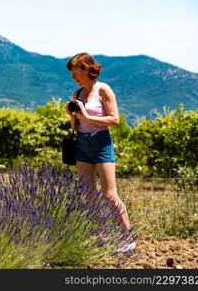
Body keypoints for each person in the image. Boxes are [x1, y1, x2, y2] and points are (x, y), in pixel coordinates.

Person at [65, 52, 135, 252]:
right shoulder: (77, 94)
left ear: (87, 69)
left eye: (76, 72)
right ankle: (101, 235)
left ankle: (127, 238)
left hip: (101, 143)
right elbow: (76, 124)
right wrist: (73, 116)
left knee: (109, 194)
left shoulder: (103, 89)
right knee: (87, 193)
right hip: (82, 143)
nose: (73, 77)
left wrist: (86, 114)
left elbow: (115, 120)